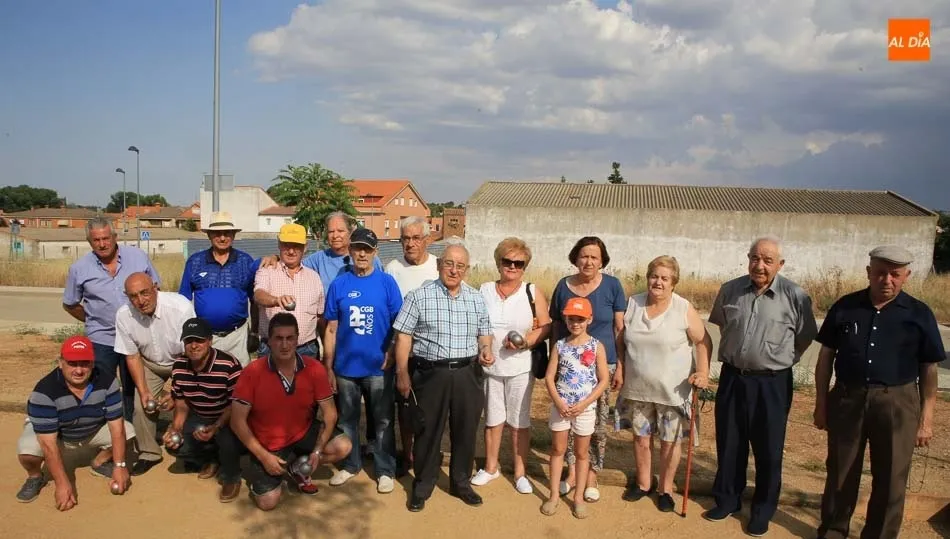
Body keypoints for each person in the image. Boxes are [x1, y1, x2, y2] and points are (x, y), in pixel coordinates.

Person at [813, 245, 945, 539]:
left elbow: (929, 370)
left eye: (895, 274)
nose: (887, 280)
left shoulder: (919, 314)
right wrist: (821, 403)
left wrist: (926, 420)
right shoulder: (846, 307)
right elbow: (825, 358)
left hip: (897, 403)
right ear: (869, 273)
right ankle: (834, 531)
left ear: (906, 276)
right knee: (840, 472)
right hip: (848, 399)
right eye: (881, 273)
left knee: (891, 478)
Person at [704, 236, 817, 536]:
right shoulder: (730, 289)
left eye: (768, 260)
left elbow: (804, 338)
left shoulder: (796, 296)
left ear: (780, 264)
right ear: (748, 258)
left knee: (768, 448)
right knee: (730, 442)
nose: (760, 265)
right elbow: (722, 325)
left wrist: (775, 360)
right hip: (732, 378)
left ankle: (763, 510)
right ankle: (727, 499)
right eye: (755, 258)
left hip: (772, 383)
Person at [392, 243, 494, 512]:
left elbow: (485, 332)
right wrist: (402, 372)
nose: (454, 269)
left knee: (465, 431)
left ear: (467, 270)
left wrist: (485, 349)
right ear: (439, 265)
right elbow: (403, 336)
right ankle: (423, 485)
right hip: (430, 375)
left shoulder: (476, 298)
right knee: (427, 431)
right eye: (449, 263)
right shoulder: (419, 296)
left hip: (467, 374)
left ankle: (461, 482)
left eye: (460, 265)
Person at [616, 255, 712, 512]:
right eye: (654, 276)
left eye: (664, 278)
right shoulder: (633, 303)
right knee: (641, 439)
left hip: (673, 391)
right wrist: (621, 367)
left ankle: (666, 489)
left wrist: (703, 371)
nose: (658, 282)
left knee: (670, 442)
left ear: (673, 283)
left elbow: (703, 342)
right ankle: (644, 483)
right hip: (637, 388)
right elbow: (621, 340)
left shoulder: (683, 308)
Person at [230, 312, 352, 511]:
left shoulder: (314, 368)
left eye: (290, 338)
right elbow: (237, 421)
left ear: (298, 339)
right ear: (269, 341)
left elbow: (330, 414)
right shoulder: (252, 372)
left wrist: (317, 452)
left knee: (343, 446)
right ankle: (272, 469)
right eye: (278, 338)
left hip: (302, 432)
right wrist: (263, 456)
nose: (284, 345)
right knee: (267, 502)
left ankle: (296, 467)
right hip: (267, 443)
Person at [323, 228, 403, 493]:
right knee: (348, 420)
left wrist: (392, 351)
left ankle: (384, 470)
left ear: (375, 252)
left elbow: (398, 324)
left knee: (382, 420)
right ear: (350, 250)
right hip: (346, 367)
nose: (361, 253)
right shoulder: (340, 284)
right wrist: (329, 366)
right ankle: (350, 465)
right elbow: (331, 328)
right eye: (357, 248)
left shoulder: (386, 283)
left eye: (367, 249)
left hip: (378, 367)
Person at [15, 336, 135, 509]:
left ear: (93, 363)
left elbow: (117, 428)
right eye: (72, 363)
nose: (79, 370)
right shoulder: (44, 391)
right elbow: (48, 444)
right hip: (57, 437)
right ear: (60, 362)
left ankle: (99, 463)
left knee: (128, 431)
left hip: (91, 431)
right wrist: (62, 484)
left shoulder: (108, 381)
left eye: (85, 363)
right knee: (28, 451)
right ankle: (35, 477)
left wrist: (120, 465)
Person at [548, 236, 626, 502]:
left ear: (602, 260)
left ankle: (591, 472)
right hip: (568, 364)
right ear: (575, 258)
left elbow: (619, 328)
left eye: (594, 256)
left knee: (595, 422)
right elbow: (556, 327)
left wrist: (621, 367)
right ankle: (571, 472)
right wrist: (555, 364)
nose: (588, 261)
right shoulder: (563, 286)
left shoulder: (613, 286)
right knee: (566, 418)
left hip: (602, 365)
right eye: (584, 255)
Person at [471, 237, 551, 494]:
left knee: (519, 421)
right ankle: (491, 468)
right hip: (490, 366)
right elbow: (475, 324)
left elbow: (547, 325)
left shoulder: (531, 291)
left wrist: (526, 341)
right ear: (499, 262)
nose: (513, 267)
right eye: (508, 261)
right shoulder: (483, 290)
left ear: (525, 266)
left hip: (519, 367)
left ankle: (520, 473)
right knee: (493, 420)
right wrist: (484, 349)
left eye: (519, 263)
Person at [63, 216, 160, 420]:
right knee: (101, 384)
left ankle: (131, 426)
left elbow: (155, 288)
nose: (102, 244)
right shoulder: (79, 269)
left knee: (133, 385)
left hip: (136, 335)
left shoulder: (138, 257)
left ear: (114, 237)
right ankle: (104, 424)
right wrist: (92, 318)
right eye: (96, 240)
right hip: (102, 338)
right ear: (90, 242)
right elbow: (70, 304)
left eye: (106, 238)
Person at [115, 272, 196, 475]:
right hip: (149, 363)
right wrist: (143, 391)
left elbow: (193, 351)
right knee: (141, 406)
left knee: (190, 401)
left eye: (144, 293)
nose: (140, 301)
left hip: (183, 361)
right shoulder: (123, 315)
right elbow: (132, 356)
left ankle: (192, 451)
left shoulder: (180, 307)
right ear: (127, 296)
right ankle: (149, 453)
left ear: (155, 288)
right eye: (133, 296)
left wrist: (177, 392)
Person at [163, 318, 245, 503]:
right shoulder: (178, 366)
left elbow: (236, 404)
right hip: (199, 416)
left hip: (228, 418)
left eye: (199, 340)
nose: (193, 346)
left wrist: (216, 427)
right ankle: (211, 458)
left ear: (210, 340)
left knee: (227, 439)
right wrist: (175, 429)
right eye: (188, 341)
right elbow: (182, 403)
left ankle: (231, 476)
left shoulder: (229, 365)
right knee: (175, 445)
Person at [541, 297, 609, 519]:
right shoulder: (559, 345)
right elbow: (550, 377)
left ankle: (578, 497)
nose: (576, 323)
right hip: (561, 407)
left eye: (580, 319)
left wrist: (584, 404)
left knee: (581, 453)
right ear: (566, 319)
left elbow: (603, 380)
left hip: (584, 409)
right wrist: (559, 402)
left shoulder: (596, 346)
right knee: (558, 450)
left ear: (589, 319)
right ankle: (553, 495)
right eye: (572, 319)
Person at [385, 216, 440, 475]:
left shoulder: (439, 267)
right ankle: (406, 456)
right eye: (405, 238)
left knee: (430, 410)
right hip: (402, 351)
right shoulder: (392, 268)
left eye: (416, 238)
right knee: (405, 408)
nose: (410, 243)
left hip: (433, 352)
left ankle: (425, 456)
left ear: (427, 239)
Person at [178, 211, 259, 366]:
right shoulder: (195, 262)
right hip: (205, 338)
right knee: (208, 382)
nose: (222, 238)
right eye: (217, 233)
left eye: (227, 233)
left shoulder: (245, 261)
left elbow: (255, 300)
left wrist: (254, 332)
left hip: (237, 336)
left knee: (239, 382)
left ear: (233, 235)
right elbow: (183, 302)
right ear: (209, 235)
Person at [253, 223, 325, 357]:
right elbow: (258, 295)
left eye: (296, 246)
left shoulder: (314, 277)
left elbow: (320, 317)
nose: (291, 251)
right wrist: (276, 300)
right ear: (279, 244)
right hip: (272, 349)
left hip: (307, 349)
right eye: (287, 245)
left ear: (305, 247)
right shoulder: (267, 270)